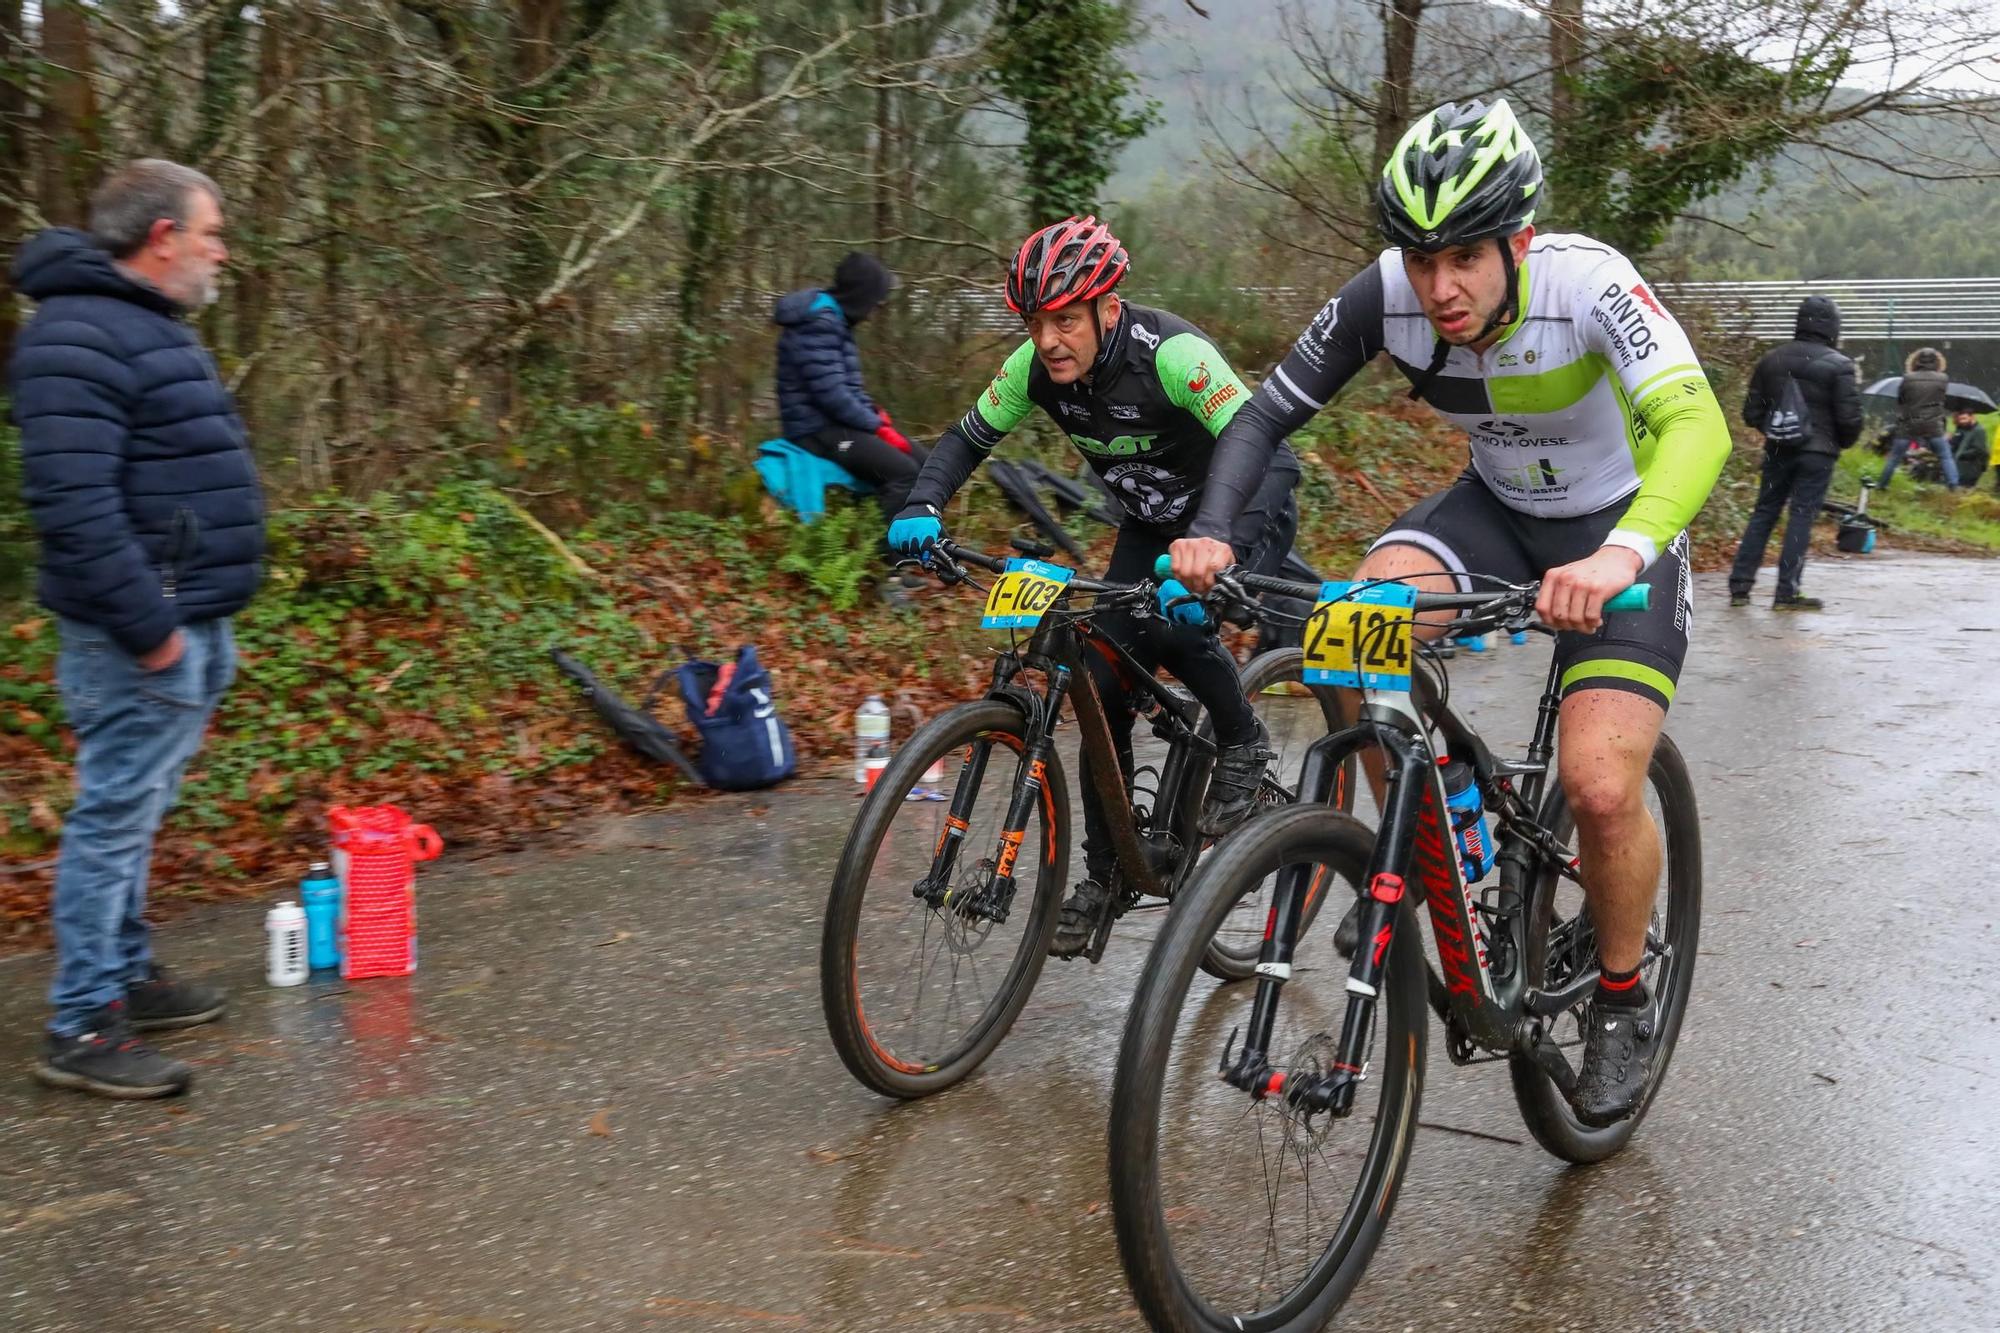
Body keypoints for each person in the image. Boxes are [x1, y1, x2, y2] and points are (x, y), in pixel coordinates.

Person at [1171, 100, 1731, 1127]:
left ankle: (1619, 996)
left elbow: (1694, 425)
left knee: (1599, 784)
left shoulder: (1588, 284)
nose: (1439, 287)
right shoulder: (1384, 298)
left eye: (1464, 257)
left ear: (1516, 240)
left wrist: (1618, 553)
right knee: (1341, 637)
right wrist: (1209, 527)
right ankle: (1442, 851)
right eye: (1418, 258)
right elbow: (1262, 413)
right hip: (1493, 513)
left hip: (1617, 527)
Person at [887, 217, 1298, 957]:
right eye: (1036, 322)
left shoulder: (1171, 355)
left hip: (1243, 498)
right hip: (1150, 519)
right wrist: (923, 502)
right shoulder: (1035, 368)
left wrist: (1211, 541)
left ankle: (1243, 738)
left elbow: (1254, 437)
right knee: (1100, 677)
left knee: (1177, 621)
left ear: (1110, 308)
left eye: (1066, 319)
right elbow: (966, 437)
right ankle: (1108, 874)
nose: (1049, 339)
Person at [9, 160, 265, 1098]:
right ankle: (82, 1022)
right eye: (211, 232)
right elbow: (73, 507)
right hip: (143, 634)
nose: (221, 250)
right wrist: (152, 630)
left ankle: (126, 974)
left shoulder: (140, 325)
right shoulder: (75, 337)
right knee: (113, 817)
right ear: (162, 238)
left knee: (140, 809)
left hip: (191, 619)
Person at [772, 251, 931, 522]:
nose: (874, 309)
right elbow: (832, 395)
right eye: (874, 300)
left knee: (928, 464)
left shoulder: (834, 321)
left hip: (838, 424)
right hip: (815, 430)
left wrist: (875, 413)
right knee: (904, 473)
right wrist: (877, 427)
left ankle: (927, 540)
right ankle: (892, 557)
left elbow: (847, 389)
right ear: (860, 295)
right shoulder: (819, 325)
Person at [1726, 296, 1862, 611]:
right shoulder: (1840, 365)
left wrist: (1777, 431)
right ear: (1833, 326)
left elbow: (1751, 412)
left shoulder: (1771, 360)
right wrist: (1835, 441)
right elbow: (1849, 417)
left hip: (1778, 449)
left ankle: (1740, 587)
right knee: (1801, 516)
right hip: (1818, 454)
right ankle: (1786, 593)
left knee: (1764, 513)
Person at [1878, 348, 1957, 489]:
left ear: (1915, 361)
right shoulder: (1943, 379)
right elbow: (1942, 400)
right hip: (1933, 425)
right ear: (1938, 362)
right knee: (1945, 456)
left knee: (1895, 457)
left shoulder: (1907, 378)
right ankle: (1953, 486)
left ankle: (1882, 485)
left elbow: (1901, 400)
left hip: (1909, 423)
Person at [1947, 408, 1988, 490]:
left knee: (1965, 490)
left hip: (1971, 469)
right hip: (1962, 467)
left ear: (1972, 417)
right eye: (1960, 419)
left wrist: (1961, 454)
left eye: (1964, 418)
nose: (1962, 421)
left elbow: (1979, 450)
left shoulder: (1978, 430)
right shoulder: (1965, 429)